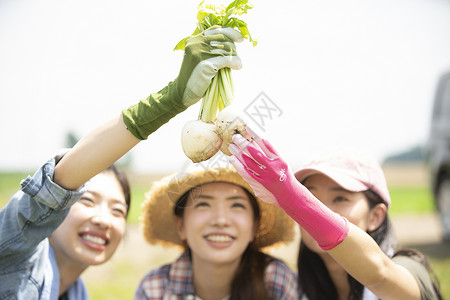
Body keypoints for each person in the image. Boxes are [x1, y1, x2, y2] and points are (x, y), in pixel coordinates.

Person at [0, 26, 243, 299]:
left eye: (117, 211)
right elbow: (54, 189)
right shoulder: (11, 253)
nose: (104, 220)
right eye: (87, 201)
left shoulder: (79, 294)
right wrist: (171, 99)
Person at [229, 127, 443, 300]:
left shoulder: (407, 269)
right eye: (310, 196)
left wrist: (294, 198)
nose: (320, 209)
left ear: (376, 216)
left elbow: (380, 276)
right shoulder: (299, 288)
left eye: (340, 198)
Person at [135, 166, 299, 300]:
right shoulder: (155, 289)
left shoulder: (276, 280)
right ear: (181, 226)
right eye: (203, 204)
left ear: (254, 227)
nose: (221, 220)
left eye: (237, 205)